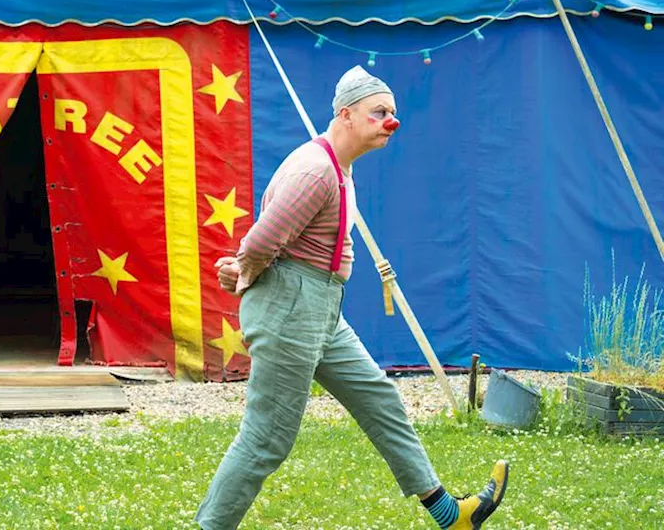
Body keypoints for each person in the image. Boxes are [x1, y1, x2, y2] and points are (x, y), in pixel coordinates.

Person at [194, 66, 509, 529]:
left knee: (379, 398)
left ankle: (450, 515)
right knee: (267, 439)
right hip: (291, 309)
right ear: (345, 114)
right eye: (379, 112)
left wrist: (245, 270)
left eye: (393, 113)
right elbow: (262, 243)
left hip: (321, 310)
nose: (390, 122)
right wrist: (243, 271)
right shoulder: (316, 170)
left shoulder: (338, 168)